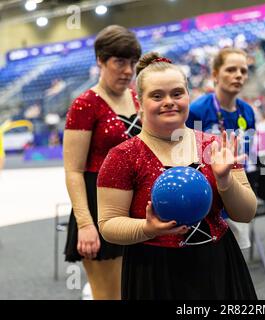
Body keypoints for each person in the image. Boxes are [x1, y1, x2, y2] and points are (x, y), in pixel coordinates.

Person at [96, 52, 257, 300]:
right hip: (154, 272)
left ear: (188, 97)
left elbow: (246, 213)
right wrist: (147, 228)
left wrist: (225, 181)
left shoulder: (215, 146)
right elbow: (108, 225)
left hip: (217, 264)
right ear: (139, 103)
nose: (169, 102)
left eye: (177, 93)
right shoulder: (122, 156)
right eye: (157, 96)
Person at [63, 25, 142, 300]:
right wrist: (86, 224)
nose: (128, 71)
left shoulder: (137, 98)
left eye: (132, 63)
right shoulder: (85, 105)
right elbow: (73, 171)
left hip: (136, 207)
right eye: (119, 62)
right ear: (100, 60)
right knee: (109, 296)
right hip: (99, 208)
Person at [186, 48, 256, 250]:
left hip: (236, 190)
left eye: (243, 71)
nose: (238, 76)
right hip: (207, 198)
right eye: (231, 70)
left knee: (238, 258)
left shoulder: (248, 111)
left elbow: (248, 153)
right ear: (215, 74)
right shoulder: (197, 110)